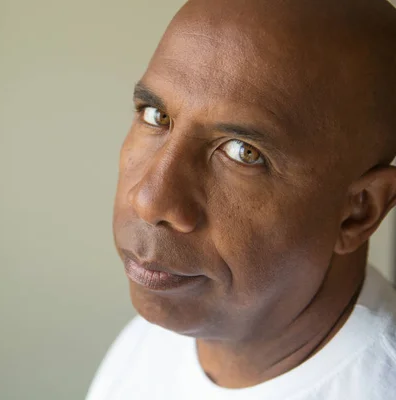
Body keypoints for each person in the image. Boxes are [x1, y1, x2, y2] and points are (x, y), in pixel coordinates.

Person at [86, 0, 396, 398]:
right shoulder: (150, 343)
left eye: (241, 151)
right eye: (155, 116)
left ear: (359, 212)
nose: (149, 200)